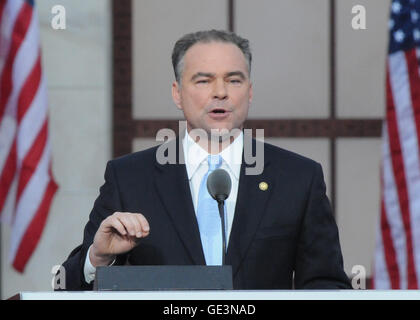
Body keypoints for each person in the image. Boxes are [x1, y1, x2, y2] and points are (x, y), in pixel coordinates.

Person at [60, 30, 351, 290]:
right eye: (203, 80)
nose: (220, 92)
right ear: (177, 93)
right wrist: (99, 258)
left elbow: (327, 285)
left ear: (249, 92)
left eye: (233, 80)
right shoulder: (129, 178)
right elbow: (67, 286)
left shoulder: (298, 178)